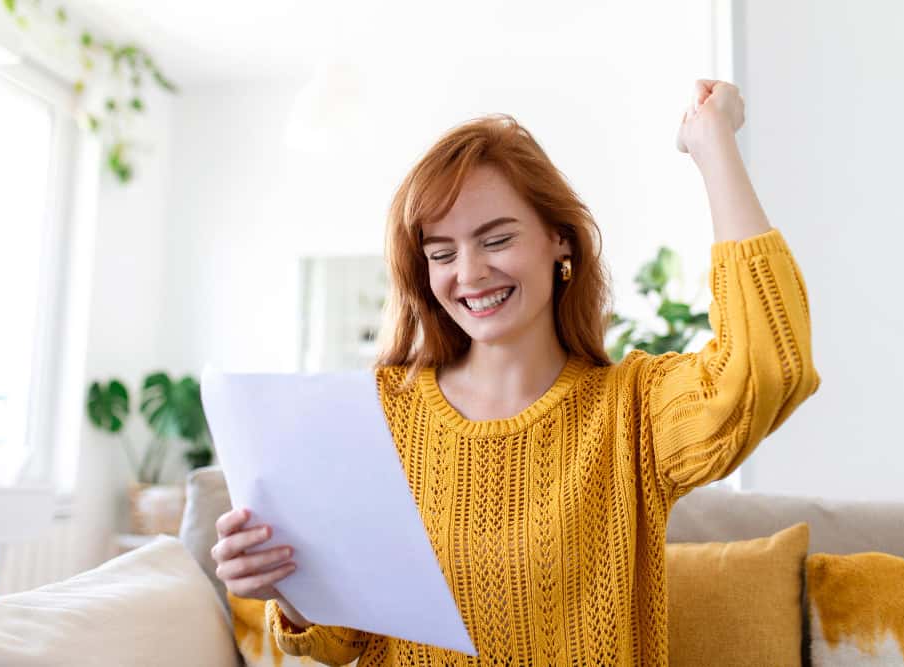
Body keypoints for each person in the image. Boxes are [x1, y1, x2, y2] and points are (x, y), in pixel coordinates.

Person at [211, 79, 821, 666]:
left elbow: (767, 366)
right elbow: (344, 640)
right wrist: (281, 583)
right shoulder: (379, 416)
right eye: (442, 253)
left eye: (495, 239)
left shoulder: (632, 411)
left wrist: (714, 146)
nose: (469, 274)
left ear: (560, 240)